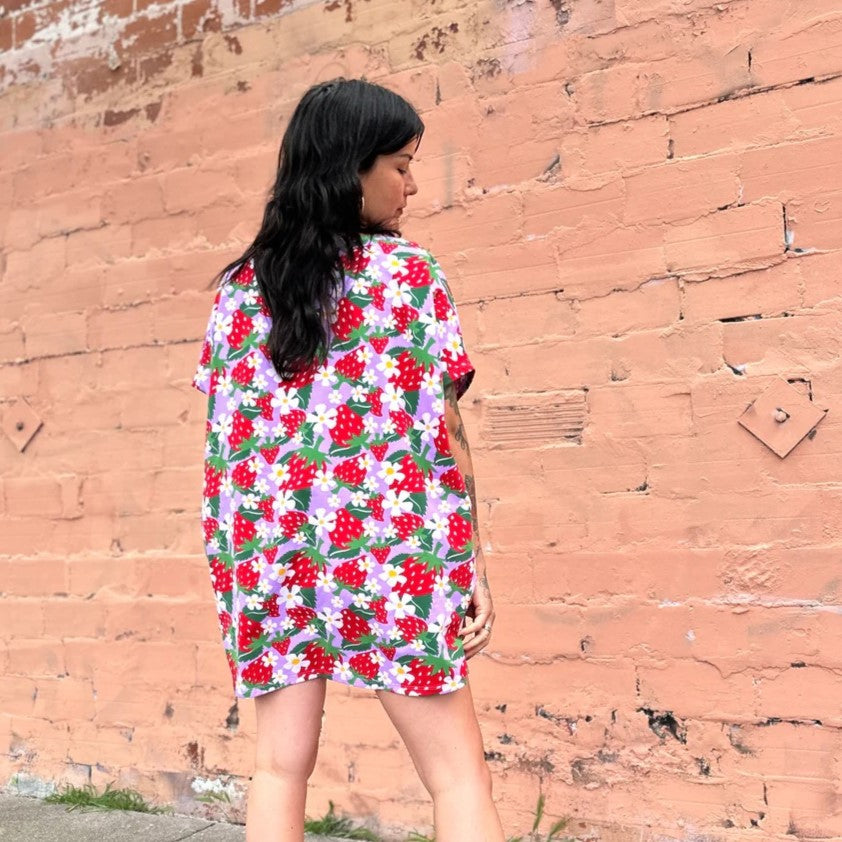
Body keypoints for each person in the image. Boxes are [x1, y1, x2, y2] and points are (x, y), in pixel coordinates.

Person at [191, 78, 503, 842]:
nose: (412, 182)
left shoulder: (237, 293)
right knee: (457, 775)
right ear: (347, 168)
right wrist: (471, 566)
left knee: (277, 768)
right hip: (388, 545)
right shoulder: (408, 276)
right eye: (399, 164)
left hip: (270, 552)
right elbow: (444, 431)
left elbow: (225, 440)